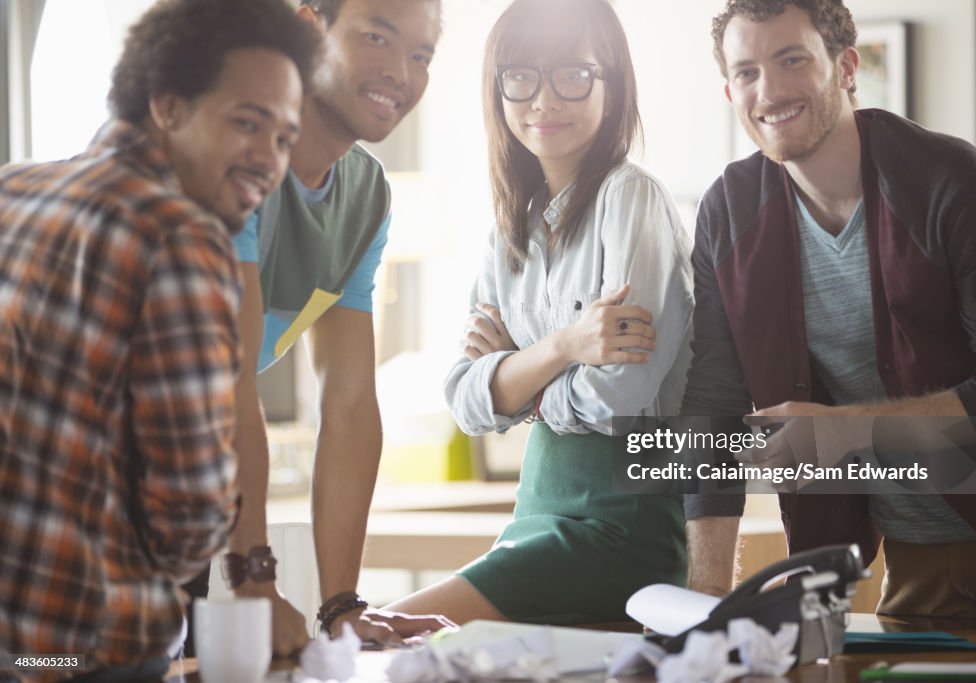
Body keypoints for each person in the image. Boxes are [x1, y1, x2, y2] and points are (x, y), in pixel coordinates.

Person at [0, 0, 315, 680]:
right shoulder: (180, 235)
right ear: (167, 106)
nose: (269, 158)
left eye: (285, 137)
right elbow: (190, 516)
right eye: (246, 122)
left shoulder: (13, 190)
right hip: (87, 649)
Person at [682, 0, 976, 619]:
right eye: (747, 71)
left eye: (791, 60)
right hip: (921, 558)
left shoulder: (954, 181)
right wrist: (706, 597)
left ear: (844, 67)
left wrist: (846, 433)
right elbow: (711, 403)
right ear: (729, 90)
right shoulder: (727, 210)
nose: (770, 89)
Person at [385, 0, 694, 625]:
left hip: (620, 528)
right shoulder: (510, 230)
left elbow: (619, 400)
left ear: (612, 82)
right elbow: (467, 402)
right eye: (521, 77)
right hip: (533, 518)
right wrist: (563, 347)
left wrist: (515, 380)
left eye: (573, 75)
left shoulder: (629, 197)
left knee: (388, 633)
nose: (543, 100)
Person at [220, 0, 449, 653]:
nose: (400, 71)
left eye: (421, 53)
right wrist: (254, 581)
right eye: (376, 35)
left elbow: (348, 402)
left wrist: (342, 605)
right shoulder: (235, 151)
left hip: (165, 476)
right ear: (308, 24)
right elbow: (225, 382)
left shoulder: (366, 196)